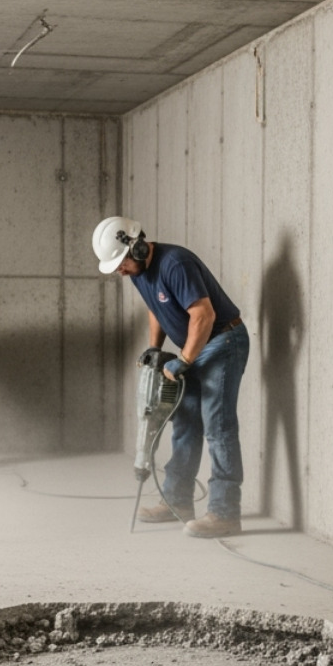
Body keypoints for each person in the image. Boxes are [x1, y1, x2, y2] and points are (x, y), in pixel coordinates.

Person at [93, 217, 249, 538]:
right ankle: (177, 500)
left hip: (222, 341)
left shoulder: (175, 264)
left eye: (120, 263)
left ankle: (225, 512)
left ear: (136, 246)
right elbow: (156, 308)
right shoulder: (139, 272)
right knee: (184, 420)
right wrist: (154, 347)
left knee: (217, 424)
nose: (119, 271)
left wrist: (186, 359)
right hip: (194, 346)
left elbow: (203, 314)